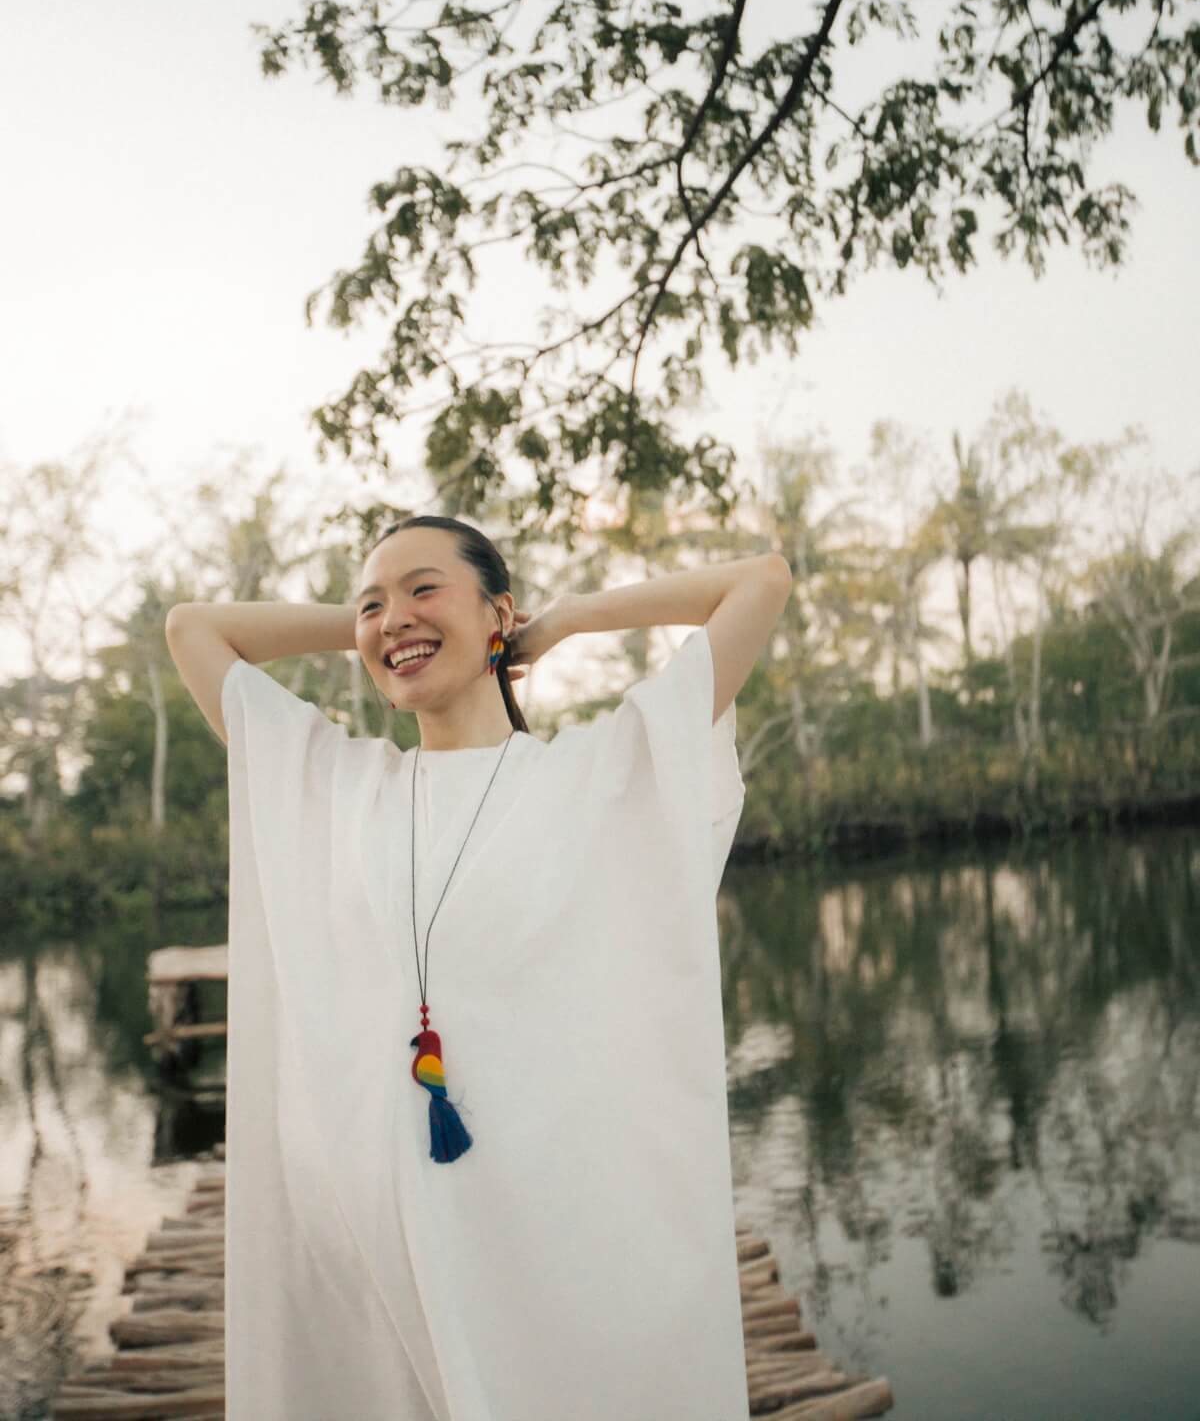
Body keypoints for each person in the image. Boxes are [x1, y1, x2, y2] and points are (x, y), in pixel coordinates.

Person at [166, 516, 792, 1421]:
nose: (393, 619)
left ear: (499, 611)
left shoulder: (598, 773)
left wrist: (565, 619)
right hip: (378, 1272)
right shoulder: (339, 787)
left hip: (549, 1253)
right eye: (372, 603)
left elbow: (761, 581)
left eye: (424, 589)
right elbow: (193, 628)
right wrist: (365, 625)